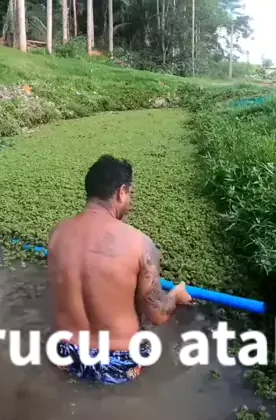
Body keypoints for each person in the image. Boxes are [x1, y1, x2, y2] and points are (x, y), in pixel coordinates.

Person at [47, 154, 195, 385]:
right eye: (131, 194)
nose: (131, 202)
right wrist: (176, 295)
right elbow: (157, 315)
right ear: (122, 192)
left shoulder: (57, 234)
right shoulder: (140, 244)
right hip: (119, 362)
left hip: (65, 354)